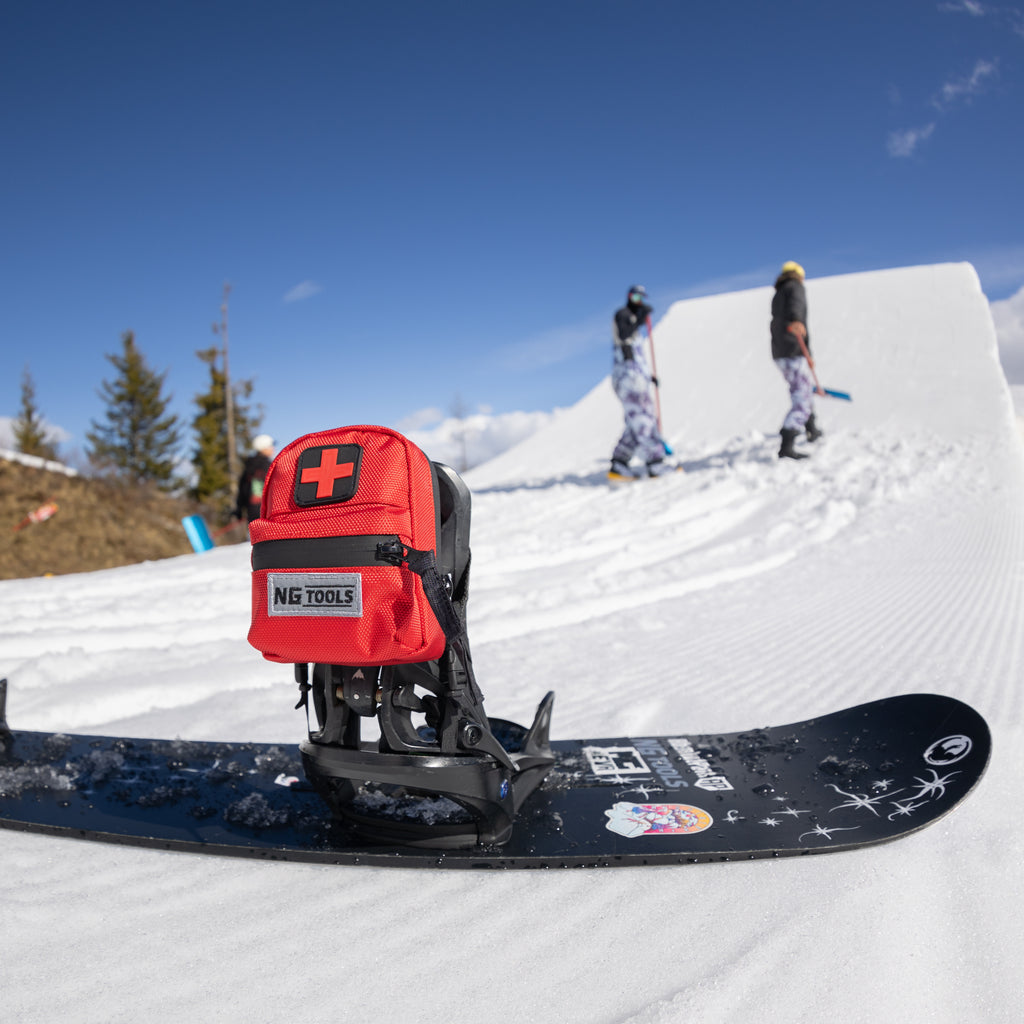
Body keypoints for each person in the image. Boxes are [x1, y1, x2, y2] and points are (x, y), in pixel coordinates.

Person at [609, 285, 672, 480]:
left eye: (641, 298)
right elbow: (624, 335)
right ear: (629, 296)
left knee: (635, 422)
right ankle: (655, 463)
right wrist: (638, 319)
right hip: (628, 378)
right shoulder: (622, 315)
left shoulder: (636, 330)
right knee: (644, 419)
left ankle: (619, 463)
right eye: (635, 296)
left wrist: (649, 376)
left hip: (636, 377)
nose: (638, 300)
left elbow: (637, 358)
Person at [771, 261, 823, 460]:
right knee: (802, 394)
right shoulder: (795, 287)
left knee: (801, 388)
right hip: (793, 349)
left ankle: (811, 428)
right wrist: (797, 321)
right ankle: (788, 442)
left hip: (780, 352)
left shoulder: (778, 293)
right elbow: (796, 308)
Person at [235, 434, 275, 523]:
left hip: (252, 511)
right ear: (264, 448)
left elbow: (243, 488)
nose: (273, 448)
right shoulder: (269, 465)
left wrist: (239, 509)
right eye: (271, 446)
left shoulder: (249, 466)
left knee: (254, 536)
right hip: (269, 511)